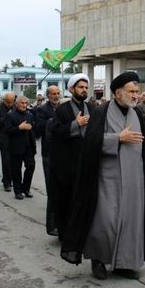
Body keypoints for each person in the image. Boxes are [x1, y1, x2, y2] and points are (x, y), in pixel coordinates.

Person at [60, 71, 145, 280]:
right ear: (118, 93)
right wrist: (118, 138)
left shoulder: (136, 113)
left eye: (137, 91)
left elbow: (144, 148)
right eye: (131, 91)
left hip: (134, 179)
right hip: (107, 178)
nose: (136, 95)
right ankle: (98, 260)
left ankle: (124, 263)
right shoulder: (101, 112)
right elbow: (90, 142)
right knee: (105, 221)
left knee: (131, 221)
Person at [50, 73, 93, 239]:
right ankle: (66, 233)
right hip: (67, 164)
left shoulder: (93, 108)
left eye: (85, 88)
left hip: (86, 161)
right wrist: (77, 124)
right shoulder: (62, 110)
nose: (84, 90)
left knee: (85, 198)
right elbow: (56, 132)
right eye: (81, 87)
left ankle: (83, 230)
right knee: (67, 199)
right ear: (71, 89)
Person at [34, 85, 61, 235]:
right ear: (48, 96)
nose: (56, 96)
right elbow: (39, 129)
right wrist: (54, 121)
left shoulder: (64, 107)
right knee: (51, 185)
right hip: (49, 152)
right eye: (53, 94)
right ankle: (53, 222)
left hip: (63, 151)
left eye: (58, 93)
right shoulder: (42, 110)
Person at [5, 95, 37, 199]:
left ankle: (26, 188)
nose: (24, 105)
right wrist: (19, 127)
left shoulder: (30, 115)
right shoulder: (10, 115)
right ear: (16, 104)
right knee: (16, 170)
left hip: (29, 148)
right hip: (16, 147)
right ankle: (18, 191)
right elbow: (7, 130)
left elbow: (32, 130)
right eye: (22, 103)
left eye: (25, 103)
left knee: (31, 166)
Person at [0, 92, 15, 191]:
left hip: (14, 138)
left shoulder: (15, 107)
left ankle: (8, 179)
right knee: (6, 162)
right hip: (3, 139)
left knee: (13, 162)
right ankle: (7, 183)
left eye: (12, 102)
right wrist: (8, 116)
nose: (10, 104)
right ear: (4, 100)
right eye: (8, 102)